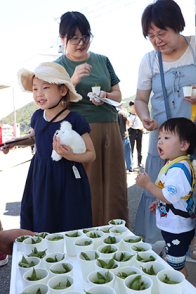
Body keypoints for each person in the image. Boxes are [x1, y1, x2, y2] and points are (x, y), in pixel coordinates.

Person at [1, 62, 95, 233]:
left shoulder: (75, 119)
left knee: (70, 220)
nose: (39, 94)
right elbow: (33, 138)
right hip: (40, 177)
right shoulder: (37, 116)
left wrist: (71, 156)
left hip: (68, 179)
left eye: (45, 87)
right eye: (35, 89)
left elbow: (91, 154)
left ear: (63, 90)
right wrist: (13, 143)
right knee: (43, 220)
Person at [55, 11, 129, 227]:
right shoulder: (58, 67)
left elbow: (118, 95)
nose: (81, 43)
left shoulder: (103, 60)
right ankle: (88, 233)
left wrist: (105, 96)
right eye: (75, 38)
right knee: (88, 184)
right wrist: (73, 80)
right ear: (62, 39)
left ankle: (117, 234)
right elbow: (53, 104)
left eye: (85, 37)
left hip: (110, 127)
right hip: (80, 132)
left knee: (115, 183)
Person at [133, 0, 196, 244]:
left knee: (195, 182)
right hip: (161, 137)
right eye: (150, 36)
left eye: (162, 33)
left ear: (178, 25)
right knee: (158, 186)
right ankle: (158, 240)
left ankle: (195, 241)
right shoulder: (149, 60)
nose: (157, 40)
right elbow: (140, 99)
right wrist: (144, 116)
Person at [136, 117, 196, 277]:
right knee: (173, 258)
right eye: (159, 138)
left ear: (184, 145)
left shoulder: (177, 169)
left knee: (176, 267)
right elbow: (174, 197)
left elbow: (169, 197)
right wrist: (160, 203)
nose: (160, 142)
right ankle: (170, 261)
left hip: (177, 230)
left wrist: (148, 185)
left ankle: (180, 287)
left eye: (166, 138)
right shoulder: (175, 164)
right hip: (176, 226)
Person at [117, 104, 134, 173]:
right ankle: (130, 167)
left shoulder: (113, 113)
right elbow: (128, 122)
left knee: (119, 154)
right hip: (124, 135)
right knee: (127, 152)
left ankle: (120, 168)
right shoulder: (122, 113)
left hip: (116, 137)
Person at [129, 101, 144, 168]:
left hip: (139, 131)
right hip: (132, 131)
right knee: (131, 148)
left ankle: (139, 162)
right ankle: (131, 163)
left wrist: (142, 127)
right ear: (130, 107)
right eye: (133, 105)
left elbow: (143, 123)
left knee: (139, 147)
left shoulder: (139, 115)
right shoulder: (129, 115)